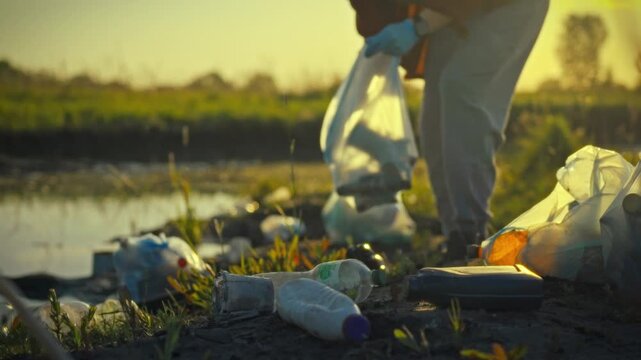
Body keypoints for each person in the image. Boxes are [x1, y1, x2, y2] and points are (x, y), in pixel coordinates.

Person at [349, 0, 550, 261]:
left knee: (461, 88)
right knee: (433, 119)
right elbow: (373, 14)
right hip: (448, 13)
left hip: (509, 6)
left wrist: (417, 26)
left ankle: (472, 232)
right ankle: (454, 234)